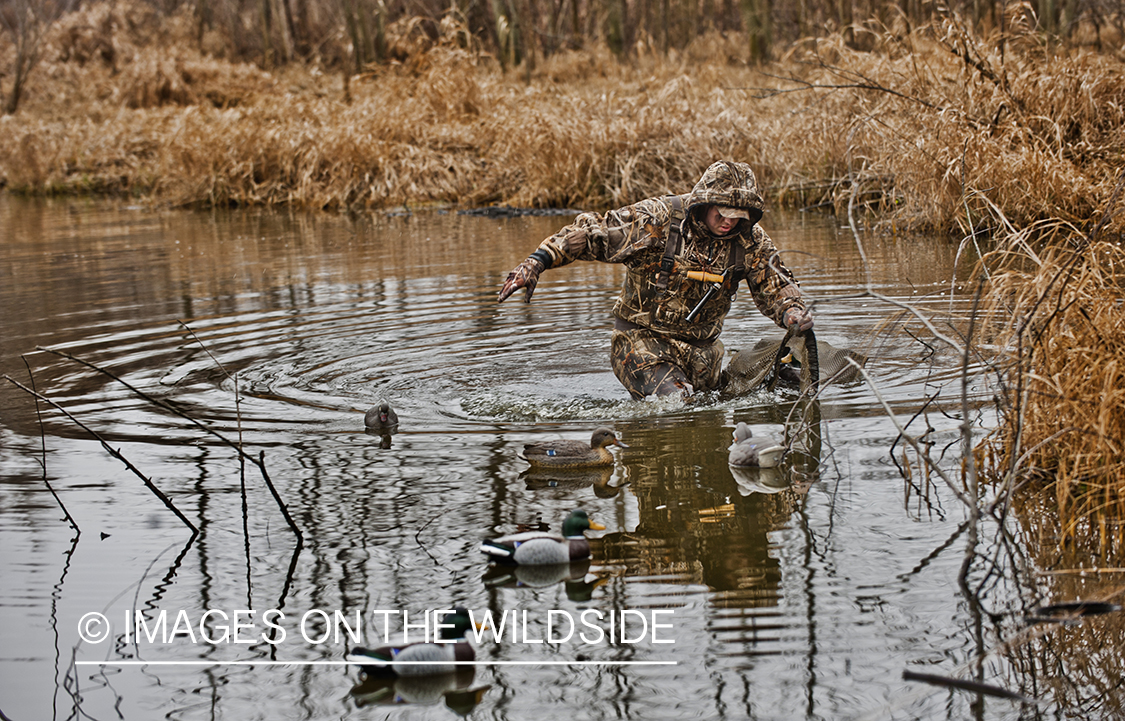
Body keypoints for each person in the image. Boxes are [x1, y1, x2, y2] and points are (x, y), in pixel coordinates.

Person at [497, 160, 813, 399]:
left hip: (704, 354)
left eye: (738, 215)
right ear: (704, 204)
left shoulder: (750, 240)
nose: (729, 221)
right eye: (722, 212)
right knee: (676, 401)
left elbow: (775, 284)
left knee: (776, 384)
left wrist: (792, 313)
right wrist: (538, 261)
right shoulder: (659, 219)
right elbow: (594, 233)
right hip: (640, 344)